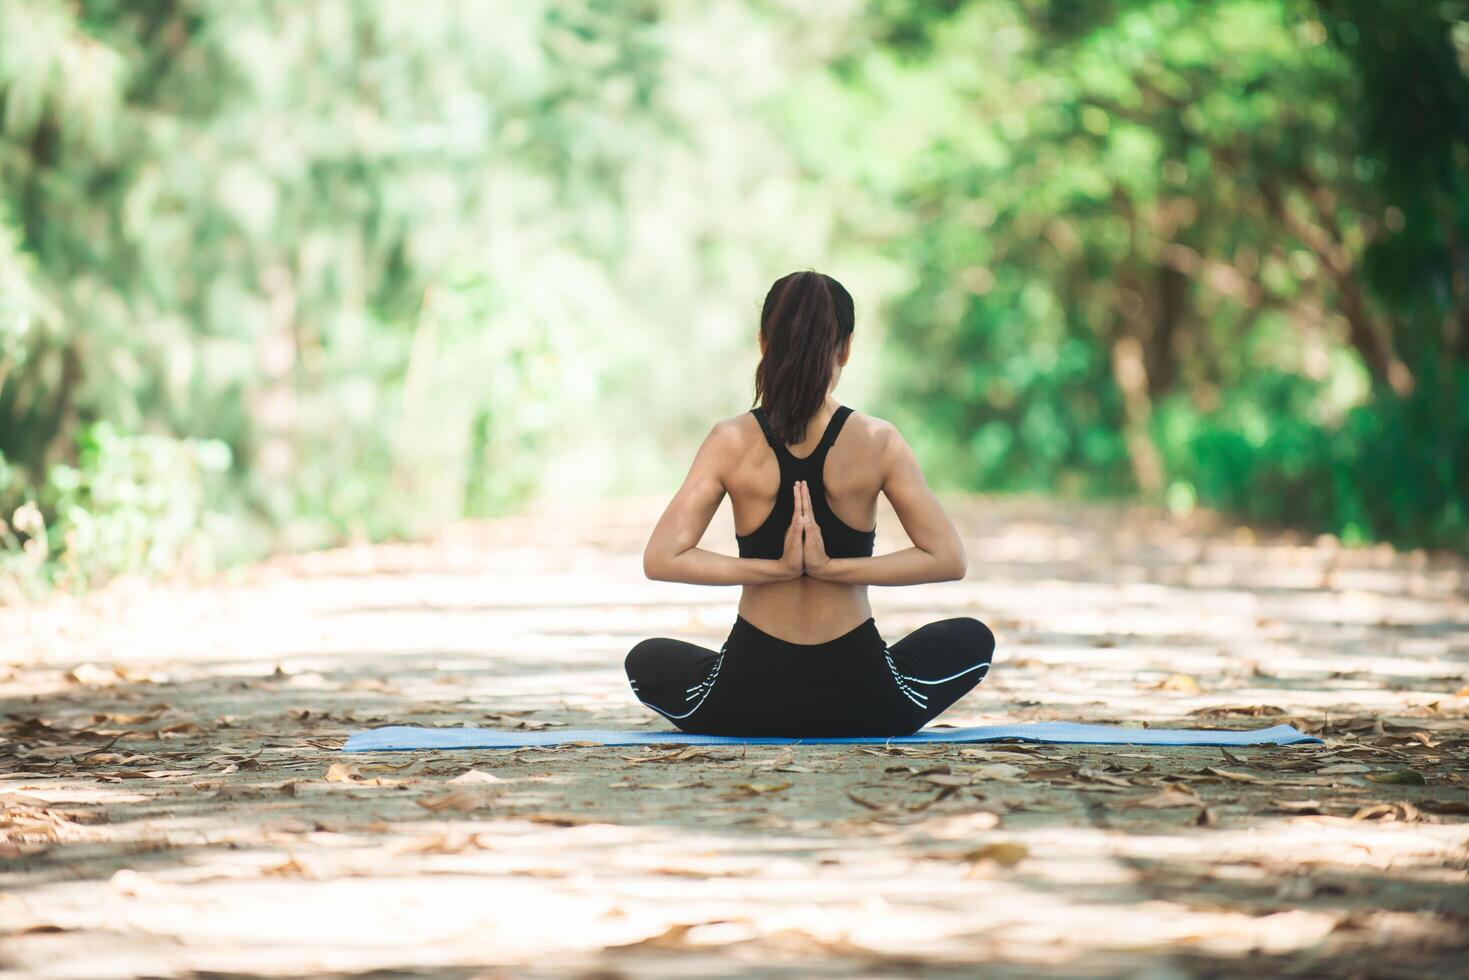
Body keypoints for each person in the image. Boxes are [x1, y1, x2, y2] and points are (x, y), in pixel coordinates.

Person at [625, 270, 995, 738]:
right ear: (845, 348)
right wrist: (831, 568)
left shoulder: (730, 440)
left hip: (745, 701)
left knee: (646, 661)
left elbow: (662, 558)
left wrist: (772, 569)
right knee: (972, 639)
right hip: (865, 700)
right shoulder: (878, 441)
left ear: (764, 342)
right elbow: (948, 559)